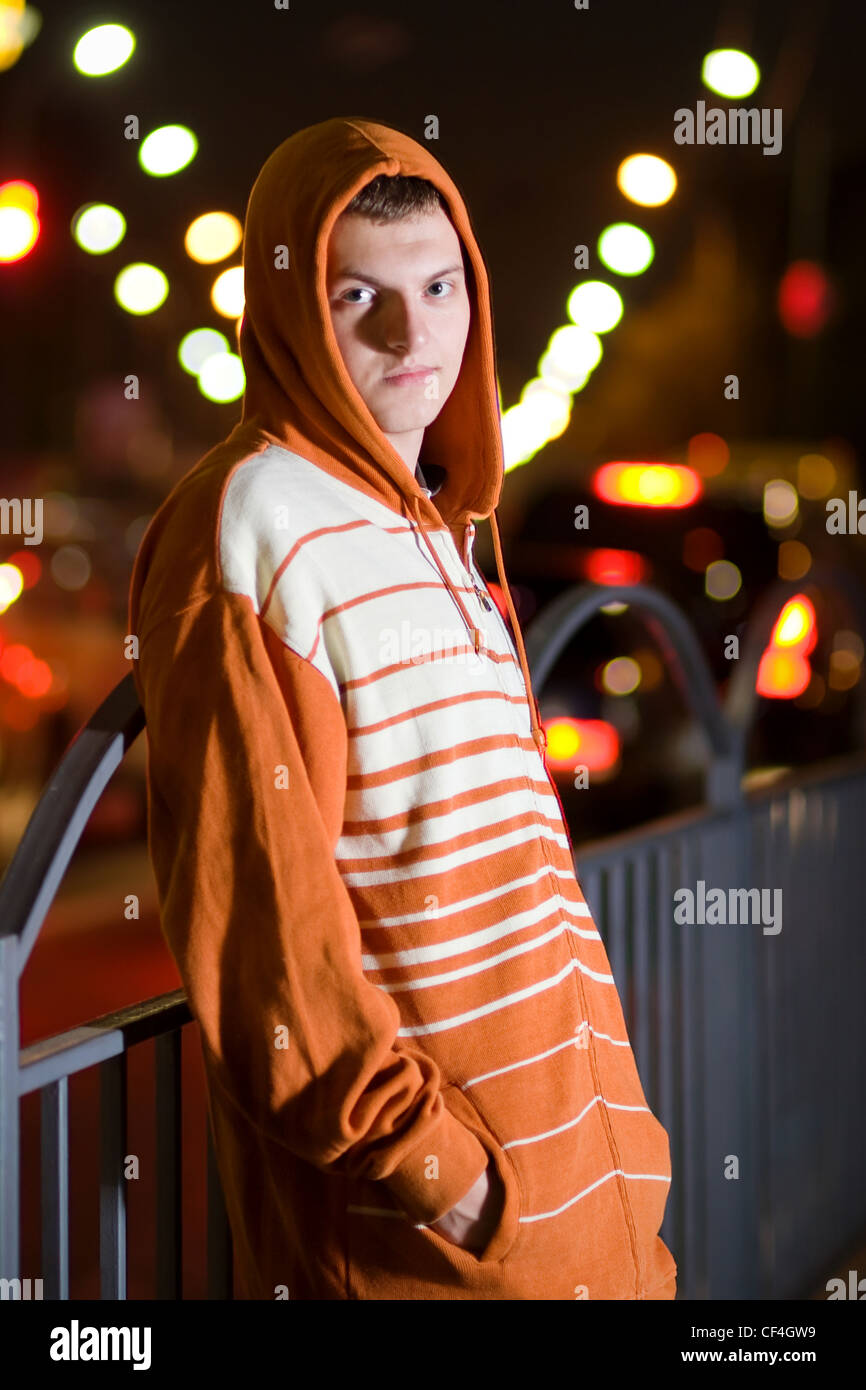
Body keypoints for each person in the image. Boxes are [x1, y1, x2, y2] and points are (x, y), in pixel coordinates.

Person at [128, 116, 677, 1300]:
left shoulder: (431, 524)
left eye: (438, 285)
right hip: (432, 1253)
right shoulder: (251, 520)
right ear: (286, 313)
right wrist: (448, 1182)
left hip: (596, 1223)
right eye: (353, 297)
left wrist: (622, 1156)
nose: (409, 329)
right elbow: (259, 927)